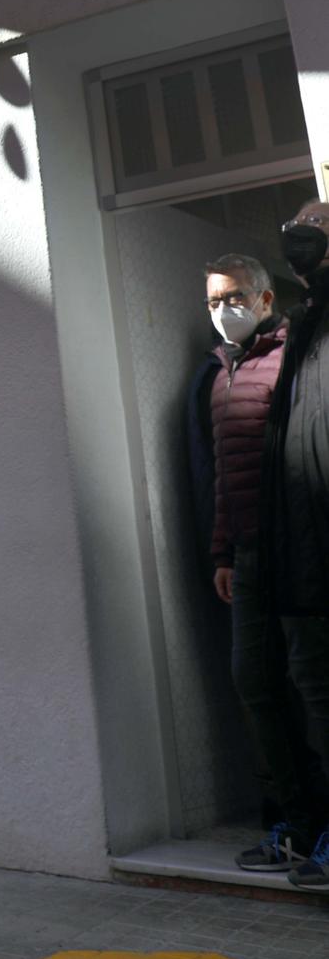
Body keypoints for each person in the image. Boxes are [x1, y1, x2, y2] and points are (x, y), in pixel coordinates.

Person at [193, 254, 307, 872]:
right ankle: (295, 821)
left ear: (265, 301)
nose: (222, 310)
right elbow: (221, 480)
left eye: (234, 297)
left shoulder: (293, 360)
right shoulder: (219, 374)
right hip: (248, 558)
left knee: (310, 689)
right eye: (213, 301)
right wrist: (223, 553)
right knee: (255, 687)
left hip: (296, 552)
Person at [258, 195, 329, 892]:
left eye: (318, 230)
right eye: (298, 231)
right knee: (313, 698)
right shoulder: (300, 328)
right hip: (302, 565)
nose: (303, 240)